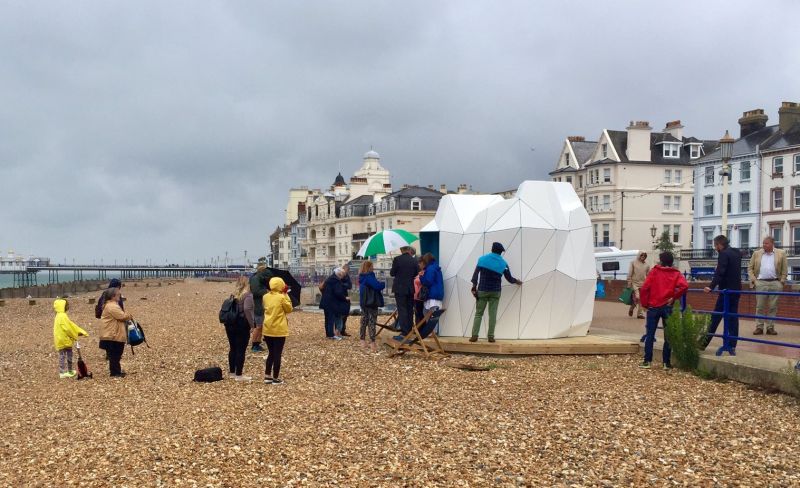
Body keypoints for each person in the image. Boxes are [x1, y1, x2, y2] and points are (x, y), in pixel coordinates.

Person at [638, 252, 688, 369]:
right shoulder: (676, 273)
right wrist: (674, 297)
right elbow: (684, 286)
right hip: (667, 305)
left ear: (661, 261)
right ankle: (666, 363)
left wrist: (645, 304)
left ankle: (647, 361)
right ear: (671, 261)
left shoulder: (654, 272)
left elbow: (645, 288)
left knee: (650, 334)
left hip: (653, 306)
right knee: (668, 335)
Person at [470, 242, 522, 342]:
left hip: (482, 290)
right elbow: (510, 279)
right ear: (500, 252)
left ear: (492, 249)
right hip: (495, 292)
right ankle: (490, 336)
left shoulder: (482, 259)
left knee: (478, 314)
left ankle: (474, 336)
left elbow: (475, 275)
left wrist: (473, 287)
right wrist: (517, 281)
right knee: (492, 315)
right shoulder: (503, 264)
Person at [702, 235, 743, 352]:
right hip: (736, 289)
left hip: (726, 291)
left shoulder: (724, 254)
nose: (715, 248)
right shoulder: (736, 252)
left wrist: (711, 287)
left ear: (720, 244)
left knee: (715, 317)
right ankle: (732, 345)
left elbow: (720, 272)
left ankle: (703, 343)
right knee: (733, 318)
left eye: (715, 245)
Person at [747, 236, 787, 335]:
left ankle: (770, 327)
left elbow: (784, 269)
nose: (764, 245)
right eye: (763, 243)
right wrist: (754, 280)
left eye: (766, 243)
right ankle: (759, 327)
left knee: (773, 307)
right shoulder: (756, 253)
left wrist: (781, 282)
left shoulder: (781, 253)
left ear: (772, 244)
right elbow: (750, 268)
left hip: (775, 283)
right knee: (760, 306)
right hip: (761, 283)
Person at [263, 277, 293, 384]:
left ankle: (267, 375)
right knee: (277, 353)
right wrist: (285, 294)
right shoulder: (282, 297)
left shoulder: (265, 297)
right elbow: (289, 309)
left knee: (271, 352)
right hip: (279, 329)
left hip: (267, 328)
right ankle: (275, 377)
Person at [99, 287, 133, 377]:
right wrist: (129, 315)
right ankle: (115, 373)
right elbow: (122, 316)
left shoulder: (110, 304)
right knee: (115, 354)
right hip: (112, 335)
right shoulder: (112, 306)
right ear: (113, 296)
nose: (120, 296)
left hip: (110, 333)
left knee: (114, 354)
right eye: (118, 294)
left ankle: (116, 371)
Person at [226, 276, 255, 381]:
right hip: (241, 325)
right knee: (240, 350)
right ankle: (239, 375)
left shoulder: (233, 295)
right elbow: (247, 309)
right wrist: (252, 325)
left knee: (232, 348)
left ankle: (232, 373)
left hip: (230, 324)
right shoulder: (248, 296)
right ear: (247, 284)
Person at [53, 298, 88, 378]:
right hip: (65, 339)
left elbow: (70, 325)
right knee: (68, 355)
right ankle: (66, 371)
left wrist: (79, 330)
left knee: (62, 355)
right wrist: (75, 335)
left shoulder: (58, 315)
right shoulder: (63, 316)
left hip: (60, 339)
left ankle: (65, 371)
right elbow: (68, 328)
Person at [390, 246, 419, 336]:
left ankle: (404, 331)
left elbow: (392, 273)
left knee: (402, 309)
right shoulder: (414, 260)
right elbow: (416, 273)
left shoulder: (397, 259)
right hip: (410, 288)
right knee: (410, 309)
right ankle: (409, 329)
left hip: (399, 288)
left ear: (401, 250)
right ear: (409, 250)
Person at [358, 261, 385, 352]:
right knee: (372, 321)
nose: (373, 268)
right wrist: (383, 284)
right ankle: (372, 342)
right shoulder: (369, 276)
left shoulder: (362, 277)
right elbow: (377, 286)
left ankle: (362, 340)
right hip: (371, 302)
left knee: (364, 321)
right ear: (369, 267)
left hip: (364, 302)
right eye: (372, 266)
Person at [417, 253, 444, 340]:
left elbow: (428, 282)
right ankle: (432, 332)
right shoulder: (435, 268)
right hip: (437, 293)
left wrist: (421, 277)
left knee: (428, 313)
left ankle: (432, 332)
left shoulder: (430, 269)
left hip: (432, 294)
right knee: (432, 314)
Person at [319, 268, 350, 340]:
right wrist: (345, 298)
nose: (343, 277)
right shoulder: (336, 281)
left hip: (325, 301)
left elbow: (322, 288)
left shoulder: (329, 279)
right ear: (339, 274)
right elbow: (338, 292)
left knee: (327, 319)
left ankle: (328, 334)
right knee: (331, 319)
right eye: (342, 275)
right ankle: (331, 335)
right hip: (331, 303)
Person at [249, 265, 273, 352]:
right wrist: (266, 291)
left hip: (260, 305)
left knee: (261, 326)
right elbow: (255, 292)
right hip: (257, 305)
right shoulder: (256, 279)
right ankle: (254, 344)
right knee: (258, 326)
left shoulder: (259, 279)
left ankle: (257, 343)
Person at [627, 252, 650, 319]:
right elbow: (630, 273)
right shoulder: (633, 263)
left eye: (645, 255)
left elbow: (648, 276)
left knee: (641, 299)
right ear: (639, 255)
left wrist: (649, 284)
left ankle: (639, 314)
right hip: (634, 283)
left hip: (643, 284)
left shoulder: (647, 265)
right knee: (637, 297)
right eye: (641, 255)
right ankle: (632, 308)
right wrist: (629, 282)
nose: (643, 256)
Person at [339, 264, 353, 337]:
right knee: (340, 315)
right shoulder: (339, 275)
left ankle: (343, 330)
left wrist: (344, 285)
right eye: (346, 270)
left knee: (345, 314)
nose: (346, 272)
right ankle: (339, 330)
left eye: (347, 271)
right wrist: (344, 285)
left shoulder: (347, 276)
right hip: (340, 296)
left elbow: (350, 286)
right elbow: (338, 285)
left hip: (345, 295)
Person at [413, 258, 425, 325]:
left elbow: (421, 282)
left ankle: (420, 328)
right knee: (417, 312)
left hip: (419, 296)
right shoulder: (420, 273)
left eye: (420, 263)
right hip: (416, 296)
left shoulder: (423, 273)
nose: (418, 264)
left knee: (419, 312)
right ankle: (417, 327)